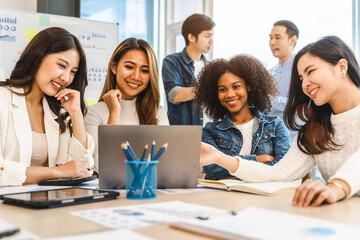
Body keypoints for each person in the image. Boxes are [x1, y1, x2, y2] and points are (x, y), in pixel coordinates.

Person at [200, 36, 360, 207]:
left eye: (311, 71)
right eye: (300, 79)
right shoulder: (315, 129)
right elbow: (280, 172)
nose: (305, 84)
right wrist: (219, 157)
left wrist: (336, 187)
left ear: (342, 67)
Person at [0, 27, 95, 186]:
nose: (66, 78)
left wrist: (76, 114)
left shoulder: (57, 113)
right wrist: (56, 172)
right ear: (38, 56)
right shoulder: (3, 99)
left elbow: (80, 170)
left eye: (73, 71)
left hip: (45, 204)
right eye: (62, 65)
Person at [195, 55, 291, 180]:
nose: (230, 94)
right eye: (222, 89)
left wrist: (229, 167)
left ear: (249, 86)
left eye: (236, 86)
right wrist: (257, 160)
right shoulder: (210, 131)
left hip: (262, 197)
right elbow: (213, 170)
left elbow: (282, 170)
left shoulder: (274, 126)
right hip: (222, 197)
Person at [84, 38, 169, 171]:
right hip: (112, 191)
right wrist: (114, 112)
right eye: (129, 67)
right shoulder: (93, 113)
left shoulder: (158, 112)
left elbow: (165, 166)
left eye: (145, 70)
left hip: (151, 190)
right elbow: (106, 167)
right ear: (114, 67)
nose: (136, 76)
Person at [162, 13, 215, 125]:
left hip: (209, 133)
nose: (211, 41)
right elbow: (174, 95)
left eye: (212, 36)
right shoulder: (172, 61)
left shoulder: (211, 67)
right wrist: (206, 89)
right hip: (184, 134)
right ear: (191, 37)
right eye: (207, 36)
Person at [268, 20, 299, 120]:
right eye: (271, 38)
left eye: (278, 37)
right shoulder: (269, 73)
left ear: (292, 40)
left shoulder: (301, 69)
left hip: (295, 133)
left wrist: (267, 101)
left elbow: (300, 104)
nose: (272, 42)